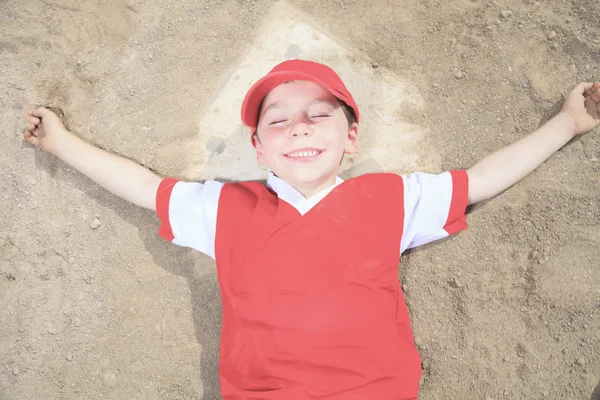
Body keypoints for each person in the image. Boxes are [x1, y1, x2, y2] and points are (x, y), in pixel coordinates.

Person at [23, 60, 600, 400]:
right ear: (259, 148)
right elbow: (144, 188)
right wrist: (59, 143)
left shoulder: (389, 198)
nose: (298, 128)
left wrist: (568, 124)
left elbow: (476, 181)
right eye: (278, 120)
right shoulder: (226, 207)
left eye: (319, 115)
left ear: (351, 139)